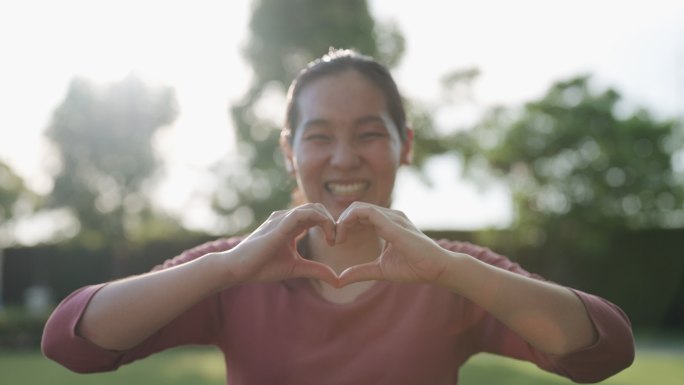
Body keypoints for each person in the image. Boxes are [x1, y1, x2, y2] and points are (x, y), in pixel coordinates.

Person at [42, 48, 634, 384]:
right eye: (319, 136)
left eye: (370, 134)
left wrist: (450, 271)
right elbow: (75, 342)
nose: (344, 158)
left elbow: (602, 348)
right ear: (289, 151)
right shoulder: (236, 268)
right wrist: (224, 269)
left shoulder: (452, 272)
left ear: (405, 145)